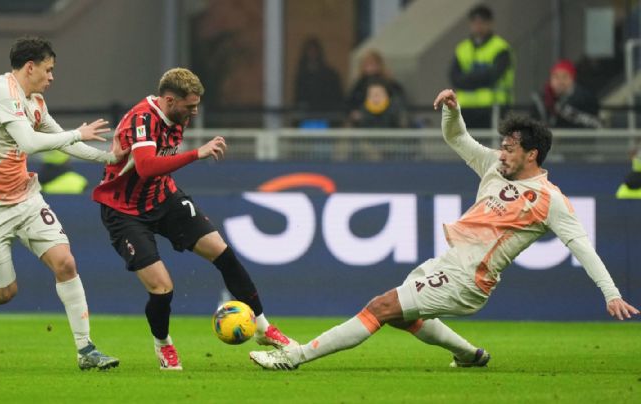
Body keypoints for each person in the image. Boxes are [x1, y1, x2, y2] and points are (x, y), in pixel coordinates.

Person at [249, 88, 639, 371]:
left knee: (379, 307)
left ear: (531, 154)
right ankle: (470, 356)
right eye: (501, 146)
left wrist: (611, 294)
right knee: (402, 315)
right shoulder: (493, 166)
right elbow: (457, 138)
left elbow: (581, 245)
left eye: (509, 148)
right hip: (449, 264)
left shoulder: (548, 199)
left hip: (468, 280)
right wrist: (453, 109)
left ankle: (294, 356)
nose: (501, 153)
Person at [0, 36, 125, 370]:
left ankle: (86, 350)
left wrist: (111, 157)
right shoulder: (0, 92)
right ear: (30, 67)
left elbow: (66, 143)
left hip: (24, 197)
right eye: (48, 69)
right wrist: (76, 134)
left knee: (65, 263)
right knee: (4, 291)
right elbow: (30, 141)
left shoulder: (35, 100)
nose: (52, 76)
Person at [92, 67, 297, 371]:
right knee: (162, 288)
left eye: (197, 105)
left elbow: (155, 172)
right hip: (125, 211)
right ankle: (163, 344)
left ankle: (264, 329)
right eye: (190, 106)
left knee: (223, 253)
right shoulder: (142, 119)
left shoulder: (176, 115)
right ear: (169, 100)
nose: (194, 113)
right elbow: (147, 167)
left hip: (164, 198)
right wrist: (195, 154)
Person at [449, 5, 514, 128]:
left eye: (482, 22)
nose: (478, 26)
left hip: (494, 108)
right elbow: (454, 77)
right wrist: (479, 77)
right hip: (466, 109)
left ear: (490, 23)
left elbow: (493, 76)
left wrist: (468, 78)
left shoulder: (500, 48)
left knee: (492, 146)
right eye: (475, 22)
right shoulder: (462, 48)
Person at [531, 60, 602, 129]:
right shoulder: (541, 100)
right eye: (556, 77)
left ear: (572, 79)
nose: (560, 81)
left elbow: (595, 125)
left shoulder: (586, 99)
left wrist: (569, 113)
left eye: (565, 77)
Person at [346, 48, 407, 128]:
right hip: (365, 126)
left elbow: (399, 101)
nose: (370, 68)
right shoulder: (359, 85)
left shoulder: (390, 83)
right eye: (367, 64)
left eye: (373, 64)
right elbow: (349, 104)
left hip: (388, 125)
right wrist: (355, 114)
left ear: (380, 65)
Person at [293, 37, 345, 128]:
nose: (312, 54)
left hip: (326, 115)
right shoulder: (302, 75)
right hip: (307, 116)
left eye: (314, 51)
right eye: (309, 51)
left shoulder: (330, 74)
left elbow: (336, 96)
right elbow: (298, 97)